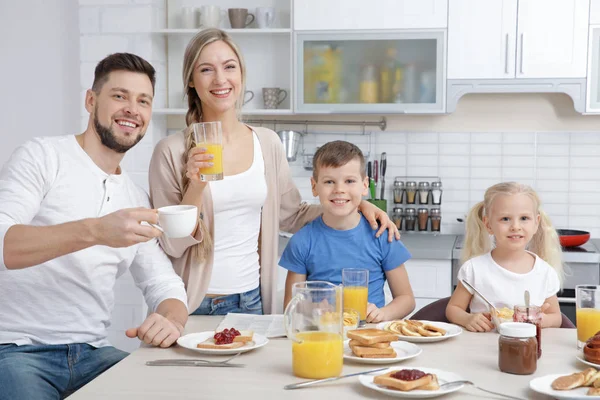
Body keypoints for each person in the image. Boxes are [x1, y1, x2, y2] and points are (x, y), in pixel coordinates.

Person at [148, 28, 399, 316]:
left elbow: (292, 215)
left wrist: (358, 204)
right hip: (192, 305)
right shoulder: (170, 151)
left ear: (241, 75)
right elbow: (171, 244)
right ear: (191, 81)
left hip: (253, 302)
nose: (220, 79)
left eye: (229, 67)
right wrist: (196, 185)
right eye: (206, 69)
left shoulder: (267, 143)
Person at [0, 53, 188, 400]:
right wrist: (96, 231)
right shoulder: (43, 156)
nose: (132, 109)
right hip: (15, 350)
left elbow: (164, 284)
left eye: (143, 101)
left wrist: (171, 321)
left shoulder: (133, 196)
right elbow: (3, 245)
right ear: (91, 100)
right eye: (120, 96)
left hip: (93, 354)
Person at [279, 141, 415, 323]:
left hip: (369, 337)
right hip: (322, 335)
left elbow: (406, 300)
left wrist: (384, 314)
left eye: (349, 181)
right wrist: (311, 309)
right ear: (314, 186)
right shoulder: (302, 241)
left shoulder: (382, 235)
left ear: (364, 185)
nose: (339, 190)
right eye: (329, 182)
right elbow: (290, 306)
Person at [446, 182, 564, 332]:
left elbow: (556, 317)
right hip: (479, 347)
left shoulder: (545, 272)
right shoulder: (474, 269)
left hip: (527, 349)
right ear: (488, 225)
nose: (515, 226)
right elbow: (453, 308)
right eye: (505, 219)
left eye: (524, 218)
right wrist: (467, 318)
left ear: (536, 223)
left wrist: (543, 319)